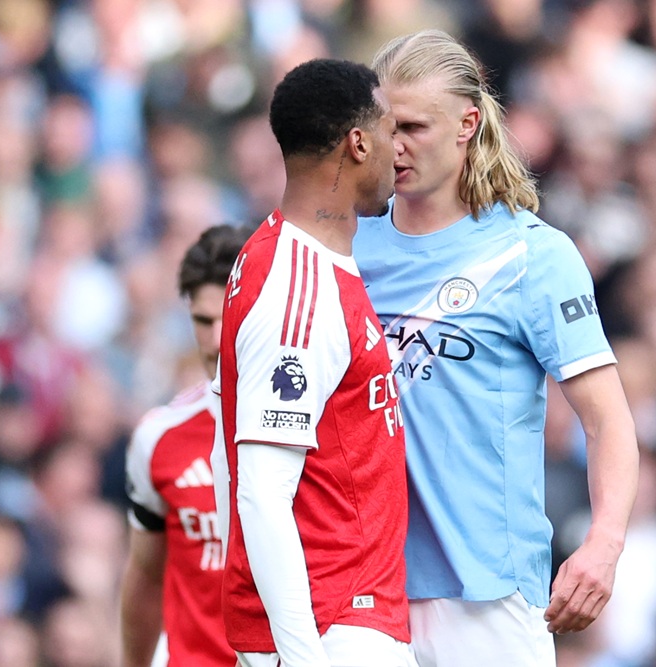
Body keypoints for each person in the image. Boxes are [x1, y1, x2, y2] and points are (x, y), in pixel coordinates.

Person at [352, 29, 641, 667]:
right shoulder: (346, 246)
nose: (393, 146)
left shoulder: (532, 255)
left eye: (414, 127)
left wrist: (604, 543)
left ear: (467, 123)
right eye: (382, 126)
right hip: (360, 590)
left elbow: (607, 420)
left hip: (485, 596)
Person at [212, 58, 414, 667]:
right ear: (357, 143)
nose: (396, 148)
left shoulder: (298, 261)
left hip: (342, 619)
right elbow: (263, 495)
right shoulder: (298, 292)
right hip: (332, 627)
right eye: (388, 129)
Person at [121, 223, 252, 667]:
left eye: (229, 316)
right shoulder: (158, 437)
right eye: (202, 320)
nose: (216, 339)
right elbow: (144, 577)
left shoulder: (320, 431)